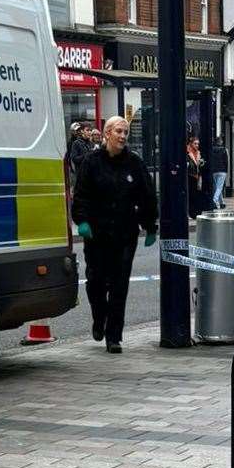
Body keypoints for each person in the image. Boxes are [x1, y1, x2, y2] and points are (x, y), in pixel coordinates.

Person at [71, 116, 158, 354]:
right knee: (96, 282)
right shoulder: (92, 162)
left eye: (126, 132)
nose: (122, 136)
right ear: (107, 133)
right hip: (97, 234)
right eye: (118, 131)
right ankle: (99, 318)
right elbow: (81, 194)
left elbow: (147, 195)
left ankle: (114, 336)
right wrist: (82, 221)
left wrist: (150, 225)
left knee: (119, 286)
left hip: (124, 233)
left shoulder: (134, 164)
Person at [186, 135, 205, 219]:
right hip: (190, 176)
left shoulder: (198, 153)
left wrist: (201, 163)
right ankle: (191, 212)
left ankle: (196, 212)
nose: (197, 145)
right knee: (191, 196)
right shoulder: (187, 153)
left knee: (197, 195)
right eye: (195, 144)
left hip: (197, 176)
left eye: (198, 144)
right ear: (191, 144)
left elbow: (199, 165)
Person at [209, 136, 229, 208]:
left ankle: (222, 203)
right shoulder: (224, 150)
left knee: (217, 187)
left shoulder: (212, 150)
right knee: (219, 187)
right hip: (222, 170)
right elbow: (226, 161)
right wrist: (226, 171)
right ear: (221, 142)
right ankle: (214, 200)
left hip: (214, 171)